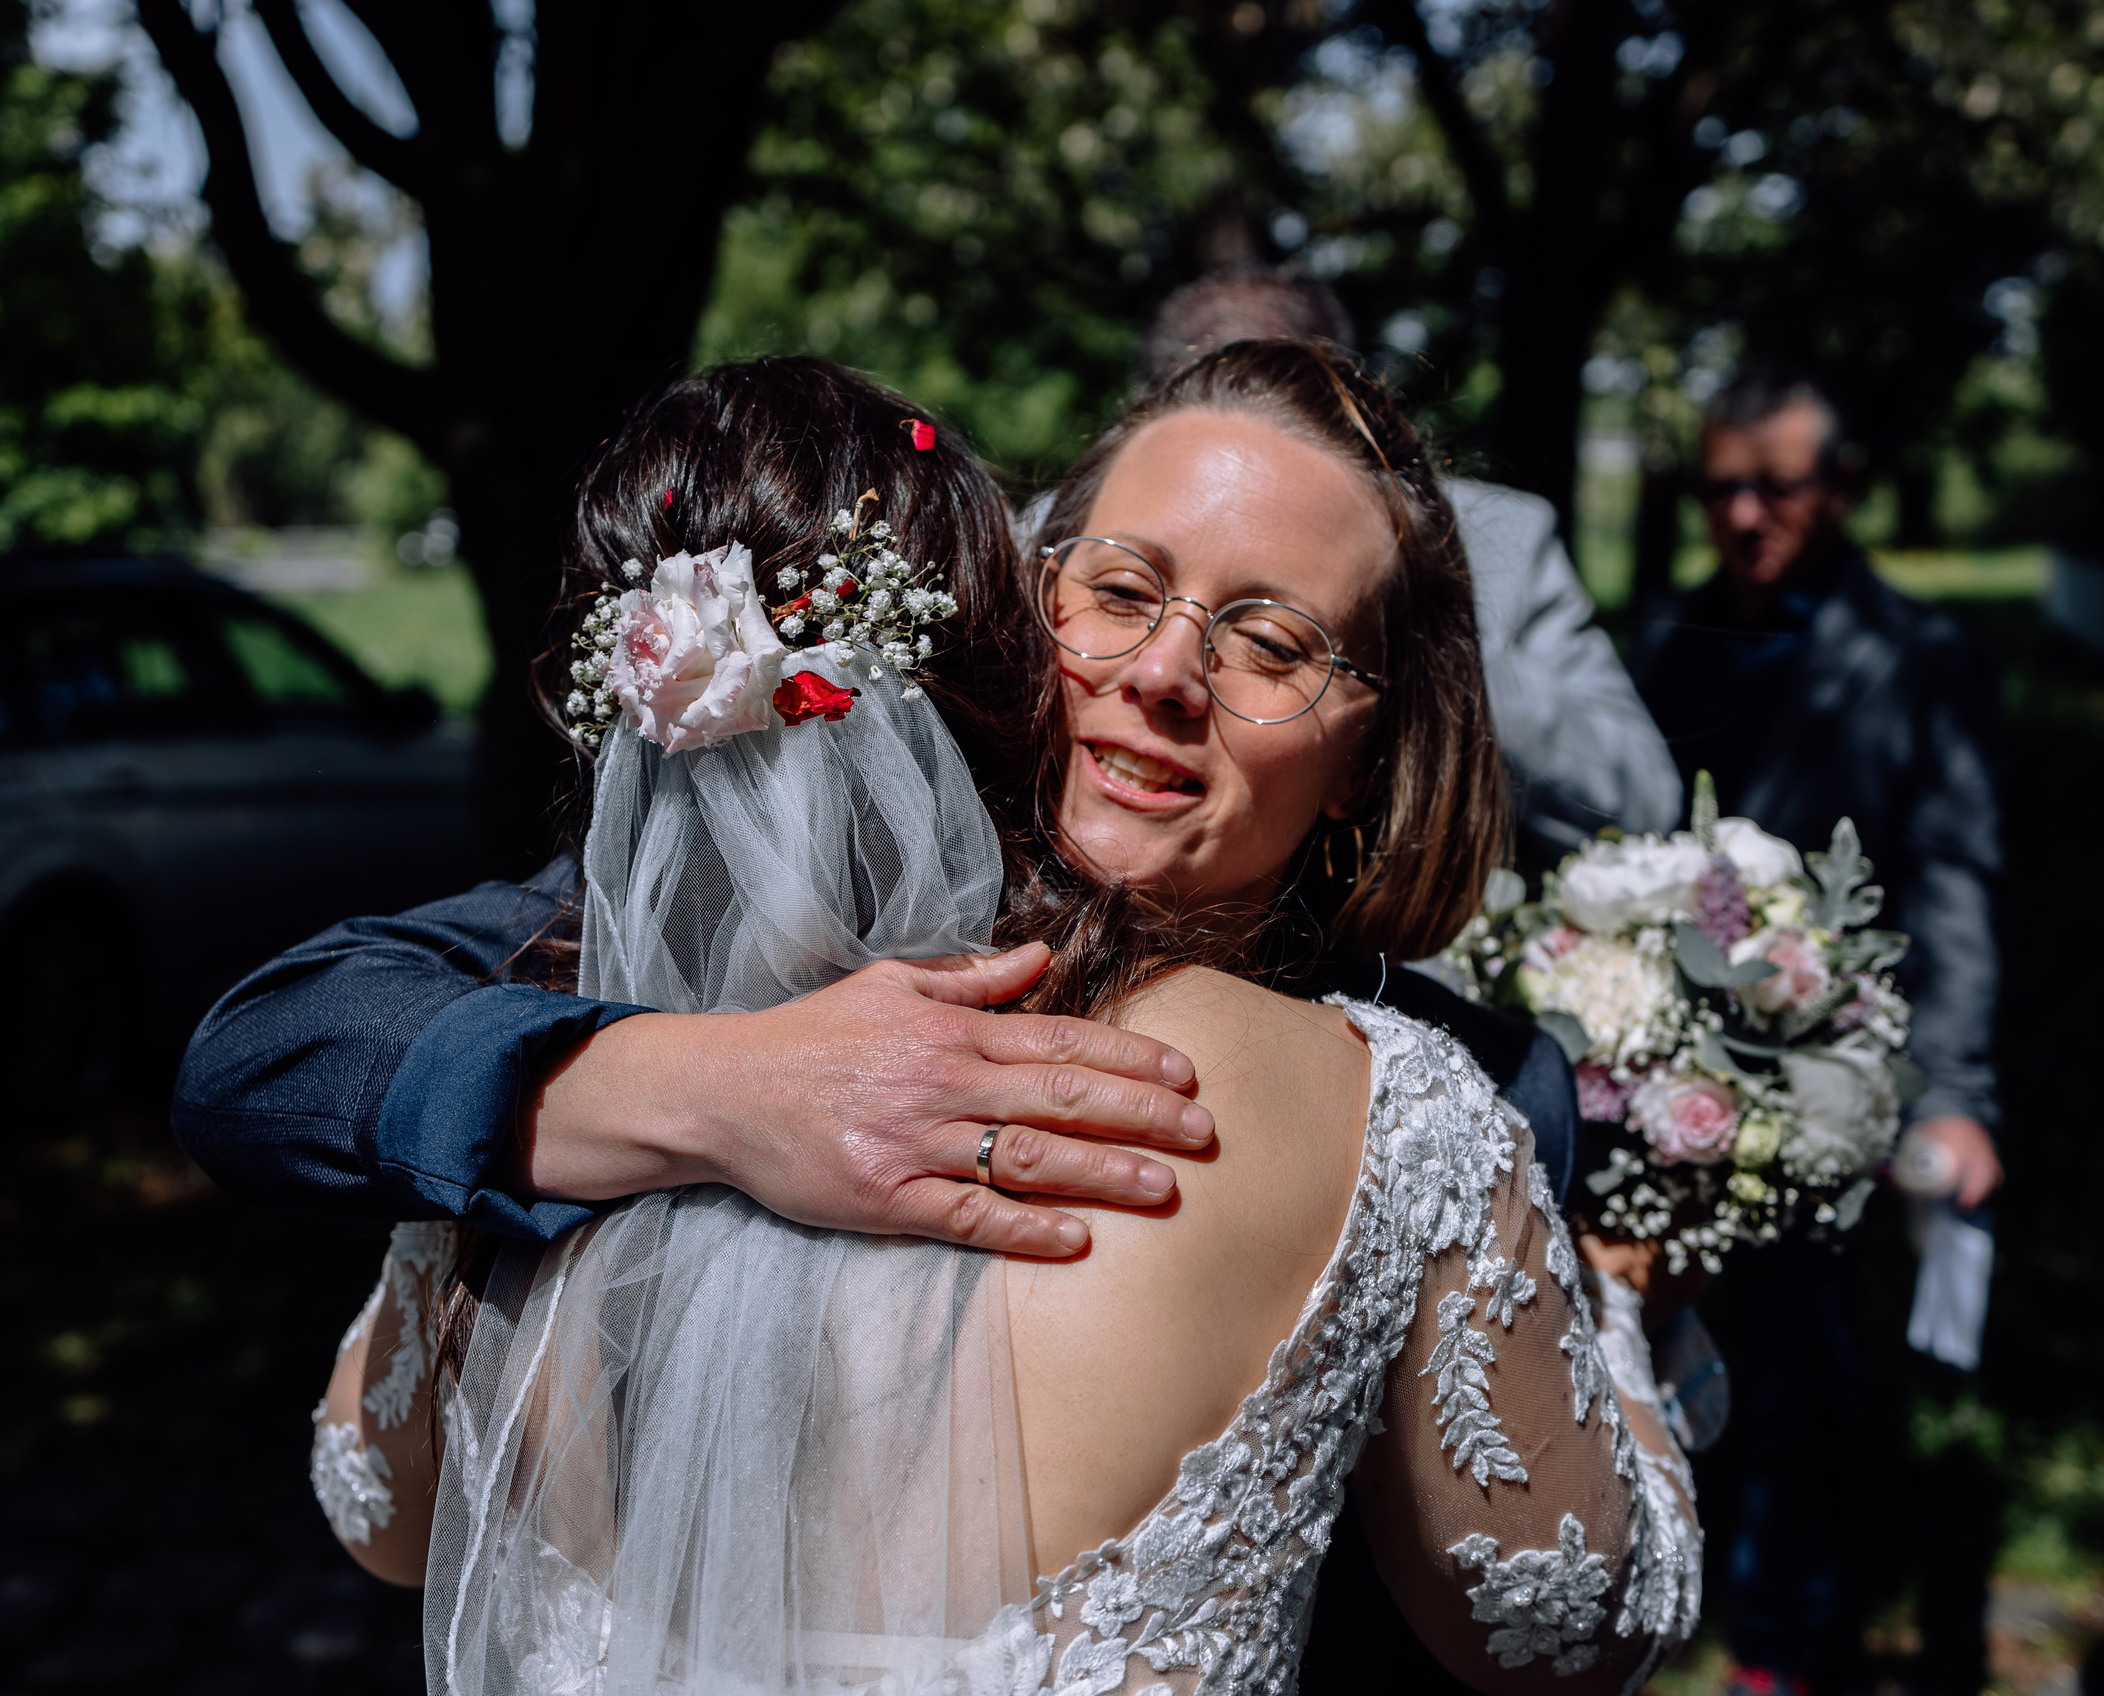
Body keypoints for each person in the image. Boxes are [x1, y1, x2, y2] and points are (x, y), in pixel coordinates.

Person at [171, 338, 1583, 1682]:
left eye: (1271, 642)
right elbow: (271, 1045)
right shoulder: (737, 888)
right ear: (1029, 606)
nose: (1163, 675)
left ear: (1372, 755)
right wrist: (711, 1085)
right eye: (1119, 587)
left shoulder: (1467, 1095)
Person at [1631, 366, 2006, 1696]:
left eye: (1774, 486)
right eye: (1722, 484)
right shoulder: (1672, 640)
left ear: (1836, 491)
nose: (1743, 513)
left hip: (1839, 1066)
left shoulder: (1917, 659)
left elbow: (1955, 885)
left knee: (1807, 1361)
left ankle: (1788, 1641)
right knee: (1671, 1332)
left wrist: (1955, 1091)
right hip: (1669, 1065)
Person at [1133, 267, 1683, 863]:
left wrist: (1434, 637)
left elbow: (1643, 804)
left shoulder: (1496, 543)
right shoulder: (1065, 527)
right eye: (1124, 593)